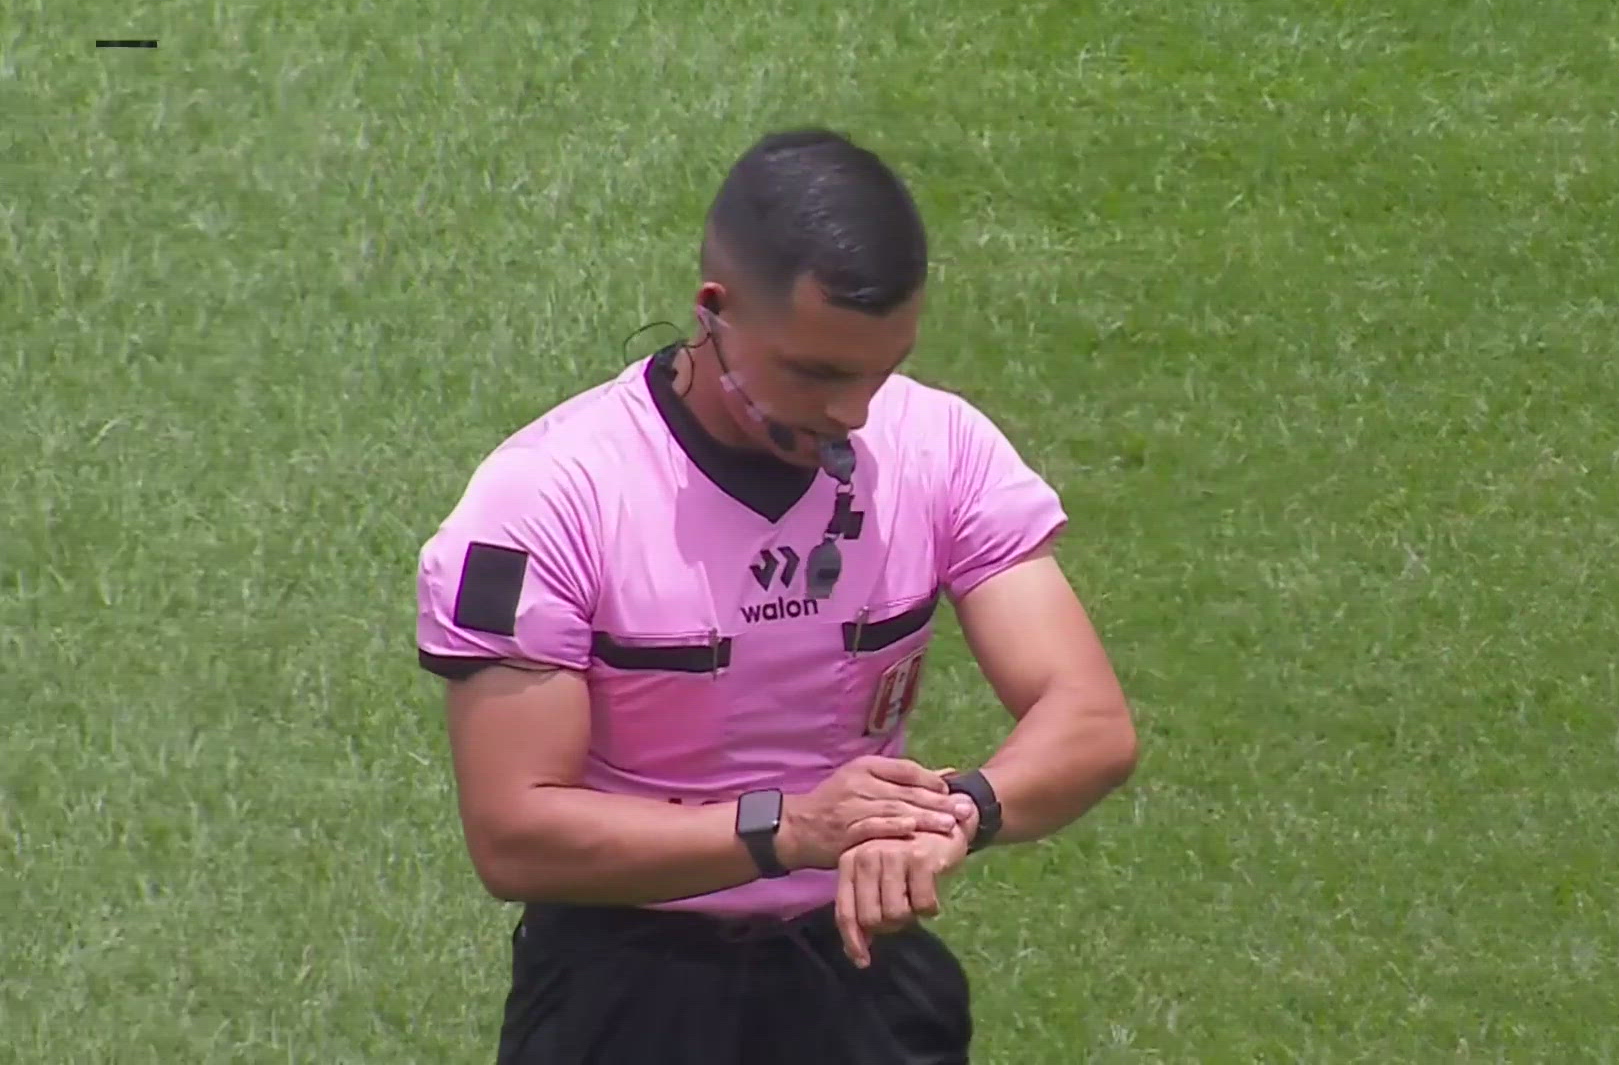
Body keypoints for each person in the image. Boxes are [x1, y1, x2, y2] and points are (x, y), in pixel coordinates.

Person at [413, 127, 1139, 1064]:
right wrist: (787, 830)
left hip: (860, 976)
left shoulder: (941, 447)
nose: (853, 412)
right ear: (714, 314)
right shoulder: (547, 500)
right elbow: (515, 836)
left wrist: (949, 816)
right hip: (626, 996)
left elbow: (1089, 719)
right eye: (817, 373)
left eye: (882, 369)